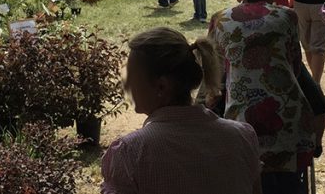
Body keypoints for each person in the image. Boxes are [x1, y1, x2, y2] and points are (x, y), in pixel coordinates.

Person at [101, 27, 262, 194]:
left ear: (161, 87)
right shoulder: (242, 137)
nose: (126, 85)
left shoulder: (130, 154)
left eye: (132, 78)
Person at [210, 0, 319, 193]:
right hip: (287, 119)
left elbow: (215, 75)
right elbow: (295, 67)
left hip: (240, 123)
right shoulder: (286, 17)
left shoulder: (220, 20)